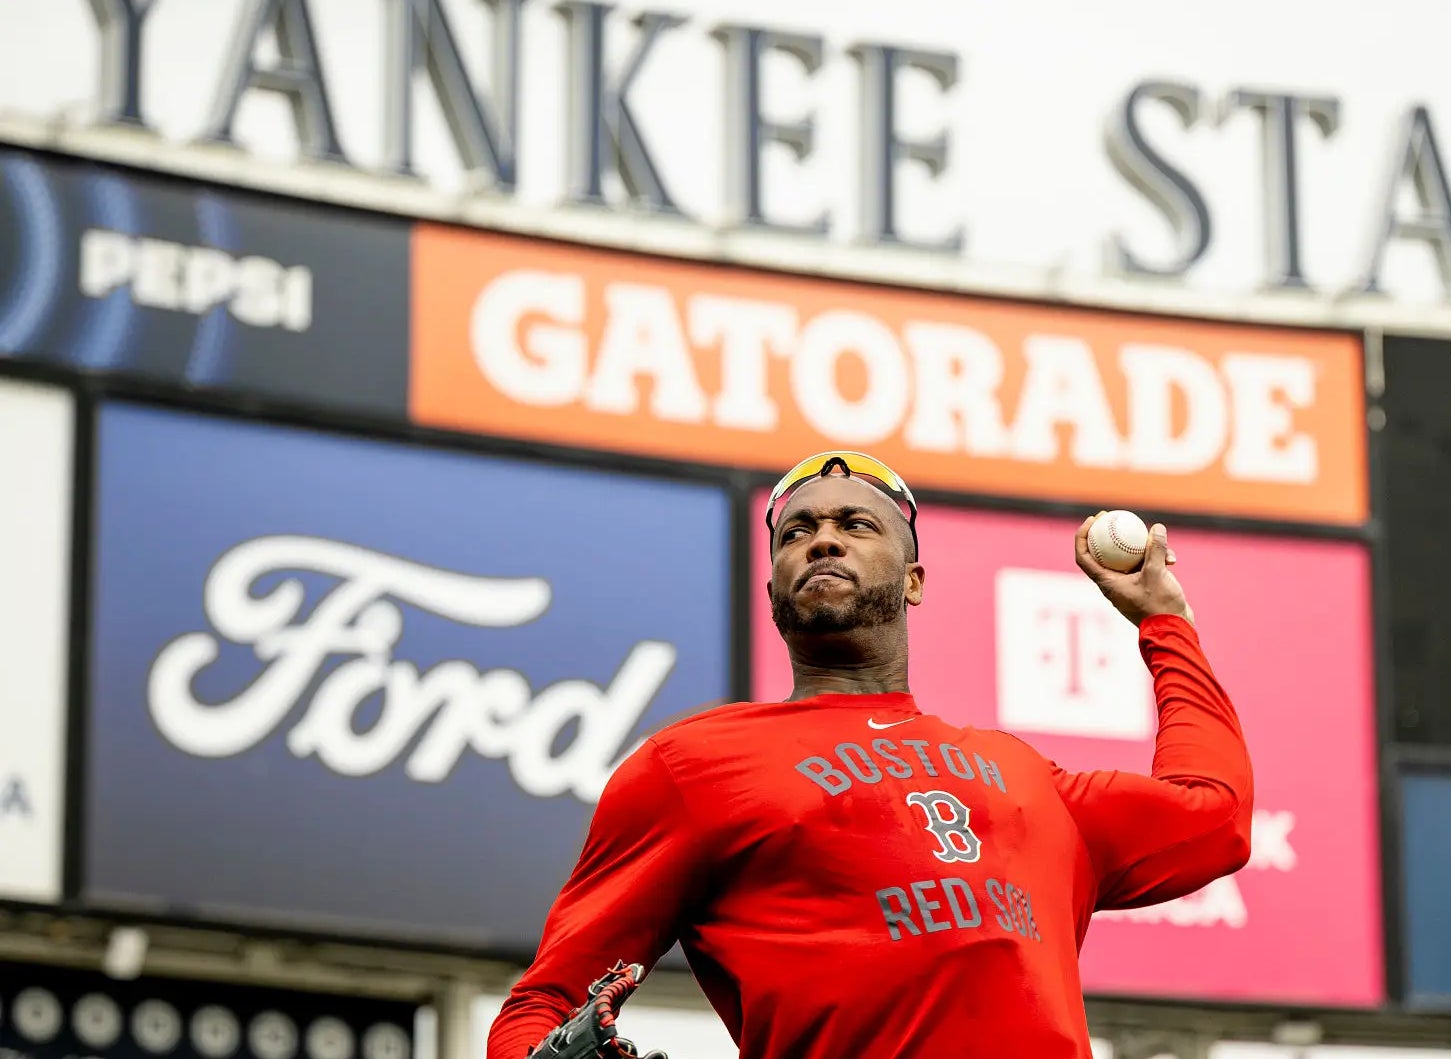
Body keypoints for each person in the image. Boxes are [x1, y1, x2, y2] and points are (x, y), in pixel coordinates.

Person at [487, 451, 1254, 1059]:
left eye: (856, 523)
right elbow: (543, 1003)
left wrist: (1167, 622)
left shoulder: (1026, 777)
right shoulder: (692, 767)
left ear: (914, 580)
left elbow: (1214, 816)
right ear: (774, 588)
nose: (821, 537)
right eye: (796, 532)